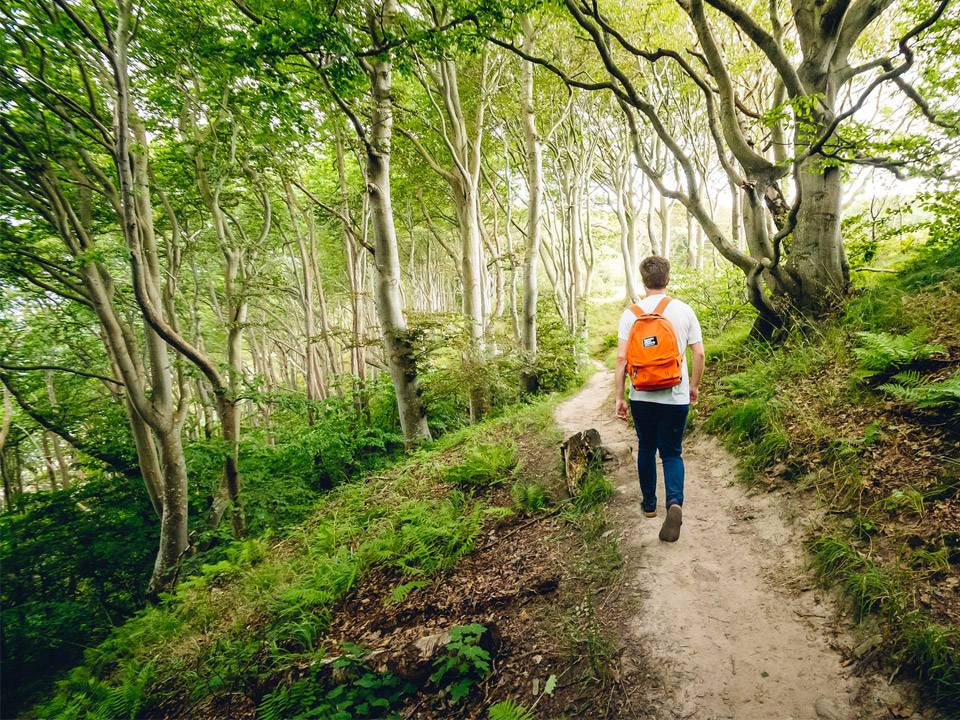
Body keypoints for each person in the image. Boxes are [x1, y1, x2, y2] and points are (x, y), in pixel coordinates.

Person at [615, 256, 704, 542]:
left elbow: (621, 360)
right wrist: (693, 386)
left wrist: (620, 397)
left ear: (643, 281)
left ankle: (649, 505)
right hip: (675, 394)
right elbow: (699, 354)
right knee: (672, 452)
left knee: (646, 448)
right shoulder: (684, 310)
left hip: (641, 395)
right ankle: (674, 503)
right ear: (667, 279)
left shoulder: (630, 314)